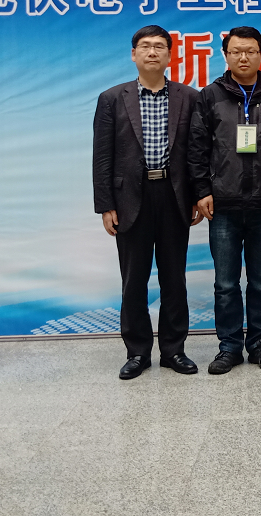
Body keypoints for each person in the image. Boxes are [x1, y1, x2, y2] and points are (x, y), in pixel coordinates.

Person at [92, 25, 203, 380]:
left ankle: (174, 350)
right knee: (133, 280)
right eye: (145, 46)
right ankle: (137, 352)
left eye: (159, 46)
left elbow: (197, 152)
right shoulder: (112, 98)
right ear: (134, 54)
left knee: (174, 278)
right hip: (129, 198)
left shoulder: (189, 97)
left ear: (170, 55)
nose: (152, 52)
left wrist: (197, 195)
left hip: (174, 196)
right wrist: (106, 205)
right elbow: (102, 156)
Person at [188, 26, 261, 374]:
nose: (244, 57)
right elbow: (197, 148)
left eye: (250, 51)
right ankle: (229, 347)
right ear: (226, 55)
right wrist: (202, 191)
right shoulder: (210, 95)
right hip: (223, 206)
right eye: (236, 51)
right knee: (225, 284)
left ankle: (260, 344)